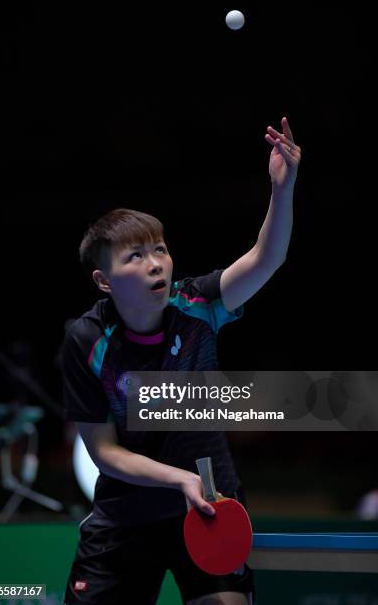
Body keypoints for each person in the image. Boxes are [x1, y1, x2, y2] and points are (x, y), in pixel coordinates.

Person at [62, 117, 301, 605]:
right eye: (134, 257)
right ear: (103, 280)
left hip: (210, 509)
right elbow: (103, 451)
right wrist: (179, 479)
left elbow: (266, 258)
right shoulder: (88, 339)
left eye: (160, 250)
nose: (155, 263)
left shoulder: (198, 306)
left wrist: (282, 190)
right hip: (125, 518)